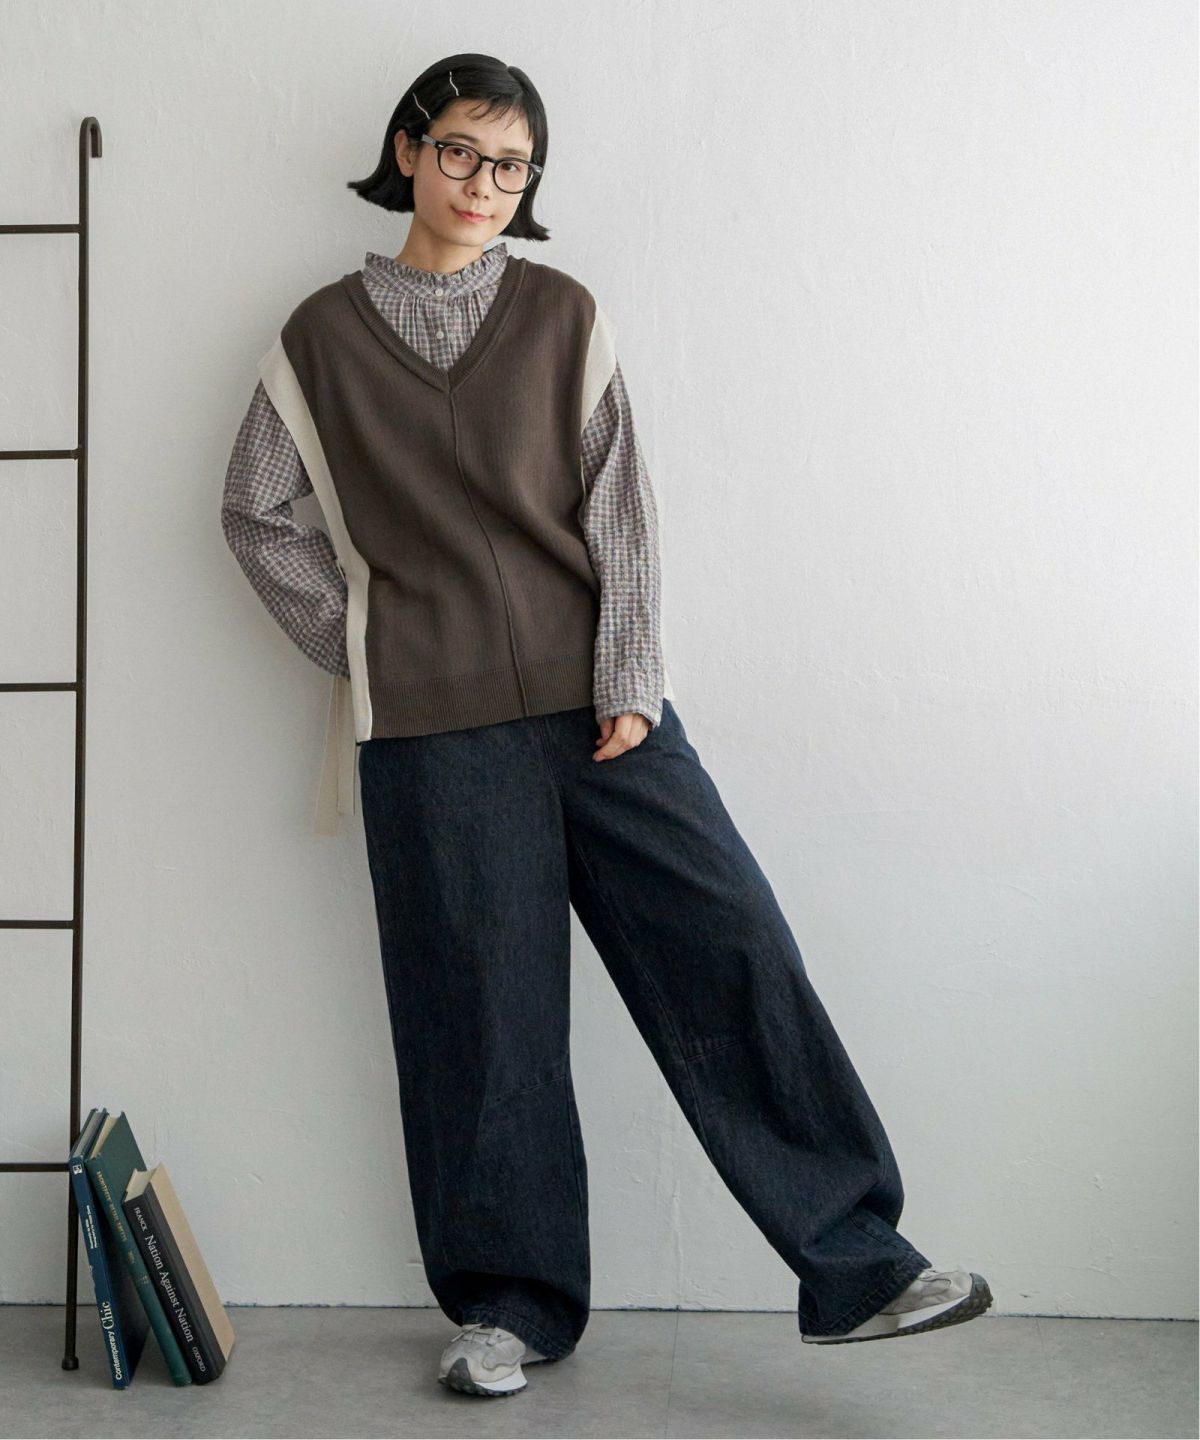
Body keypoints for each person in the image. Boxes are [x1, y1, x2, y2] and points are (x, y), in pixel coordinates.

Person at [220, 51, 992, 1400]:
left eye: (512, 166)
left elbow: (620, 506)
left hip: (604, 717)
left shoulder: (563, 313)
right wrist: (367, 649)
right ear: (409, 150)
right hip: (432, 738)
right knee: (480, 1023)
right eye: (462, 152)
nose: (484, 184)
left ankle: (859, 1265)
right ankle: (508, 1309)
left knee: (730, 950)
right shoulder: (319, 339)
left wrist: (631, 677)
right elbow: (253, 511)